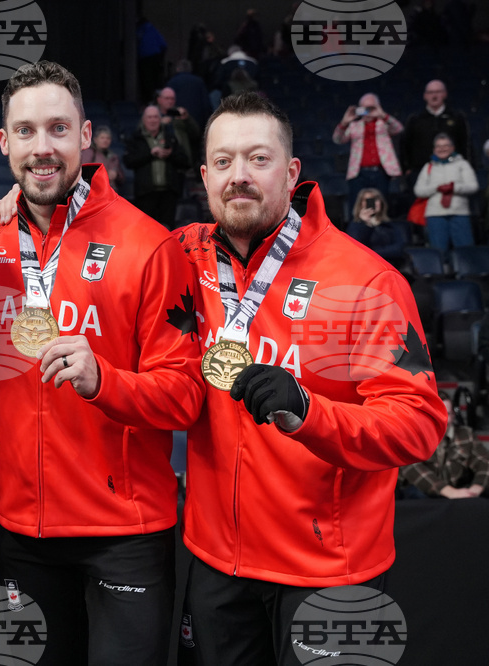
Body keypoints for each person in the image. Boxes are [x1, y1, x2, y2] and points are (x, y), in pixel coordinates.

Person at [174, 92, 446, 666]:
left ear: (292, 170)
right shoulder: (184, 257)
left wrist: (309, 411)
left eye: (258, 159)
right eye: (223, 162)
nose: (239, 177)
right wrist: (20, 203)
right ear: (204, 175)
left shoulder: (367, 280)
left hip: (329, 573)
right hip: (218, 566)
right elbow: (97, 240)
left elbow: (419, 426)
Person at [0, 60, 205, 665]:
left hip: (124, 534)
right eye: (25, 131)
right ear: (4, 141)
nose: (41, 148)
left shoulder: (151, 244)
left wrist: (104, 380)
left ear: (86, 135)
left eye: (57, 129)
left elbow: (184, 396)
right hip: (23, 532)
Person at [399, 391, 489, 499]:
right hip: (422, 496)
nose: (443, 419)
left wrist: (476, 488)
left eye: (447, 413)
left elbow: (484, 461)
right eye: (437, 413)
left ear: (453, 415)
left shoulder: (465, 434)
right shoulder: (413, 436)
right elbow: (411, 468)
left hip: (458, 492)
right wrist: (448, 492)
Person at [124, 104, 191, 229]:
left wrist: (170, 155)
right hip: (145, 193)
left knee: (168, 231)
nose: (153, 120)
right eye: (149, 117)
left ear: (160, 119)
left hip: (169, 193)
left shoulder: (171, 137)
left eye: (155, 117)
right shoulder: (135, 138)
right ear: (144, 120)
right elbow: (128, 161)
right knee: (146, 230)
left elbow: (185, 161)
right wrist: (150, 154)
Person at [333, 93, 404, 206]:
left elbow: (398, 129)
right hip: (359, 173)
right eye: (365, 108)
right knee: (357, 206)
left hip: (381, 172)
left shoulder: (384, 124)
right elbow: (337, 139)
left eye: (371, 107)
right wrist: (344, 122)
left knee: (380, 206)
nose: (368, 111)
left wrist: (382, 114)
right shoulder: (354, 125)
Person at [414, 133, 479, 253]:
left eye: (445, 145)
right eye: (438, 146)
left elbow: (473, 186)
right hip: (435, 214)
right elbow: (418, 190)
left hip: (459, 213)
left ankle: (468, 272)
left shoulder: (462, 164)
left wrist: (454, 187)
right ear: (434, 149)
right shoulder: (428, 166)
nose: (442, 148)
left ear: (452, 148)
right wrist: (437, 188)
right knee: (439, 250)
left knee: (465, 250)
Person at [402, 80, 470, 187]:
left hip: (452, 170)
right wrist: (406, 169)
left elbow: (465, 144)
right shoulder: (415, 119)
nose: (434, 95)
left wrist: (466, 168)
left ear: (445, 94)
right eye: (430, 92)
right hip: (419, 172)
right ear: (425, 96)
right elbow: (405, 145)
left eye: (438, 92)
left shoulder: (457, 118)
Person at [346, 188, 408, 269]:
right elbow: (355, 249)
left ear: (381, 203)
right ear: (361, 204)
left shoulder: (391, 226)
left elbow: (398, 249)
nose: (373, 203)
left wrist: (372, 253)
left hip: (389, 267)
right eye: (367, 200)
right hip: (365, 268)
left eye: (376, 199)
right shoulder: (355, 226)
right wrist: (365, 224)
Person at [154, 86, 201, 164]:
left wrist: (187, 119)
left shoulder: (180, 114)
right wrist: (159, 124)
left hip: (181, 159)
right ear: (159, 100)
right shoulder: (152, 114)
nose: (170, 101)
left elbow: (196, 134)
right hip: (159, 160)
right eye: (167, 98)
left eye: (172, 99)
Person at [165, 59, 212, 129]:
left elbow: (166, 104)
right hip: (197, 120)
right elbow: (206, 104)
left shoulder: (172, 82)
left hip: (178, 120)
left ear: (177, 69)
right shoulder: (199, 82)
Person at [80, 126, 126, 193]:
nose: (105, 140)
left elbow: (122, 179)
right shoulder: (89, 153)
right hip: (94, 192)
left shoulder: (113, 156)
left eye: (108, 138)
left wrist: (116, 174)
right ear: (95, 140)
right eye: (102, 138)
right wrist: (104, 175)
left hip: (110, 193)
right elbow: (83, 173)